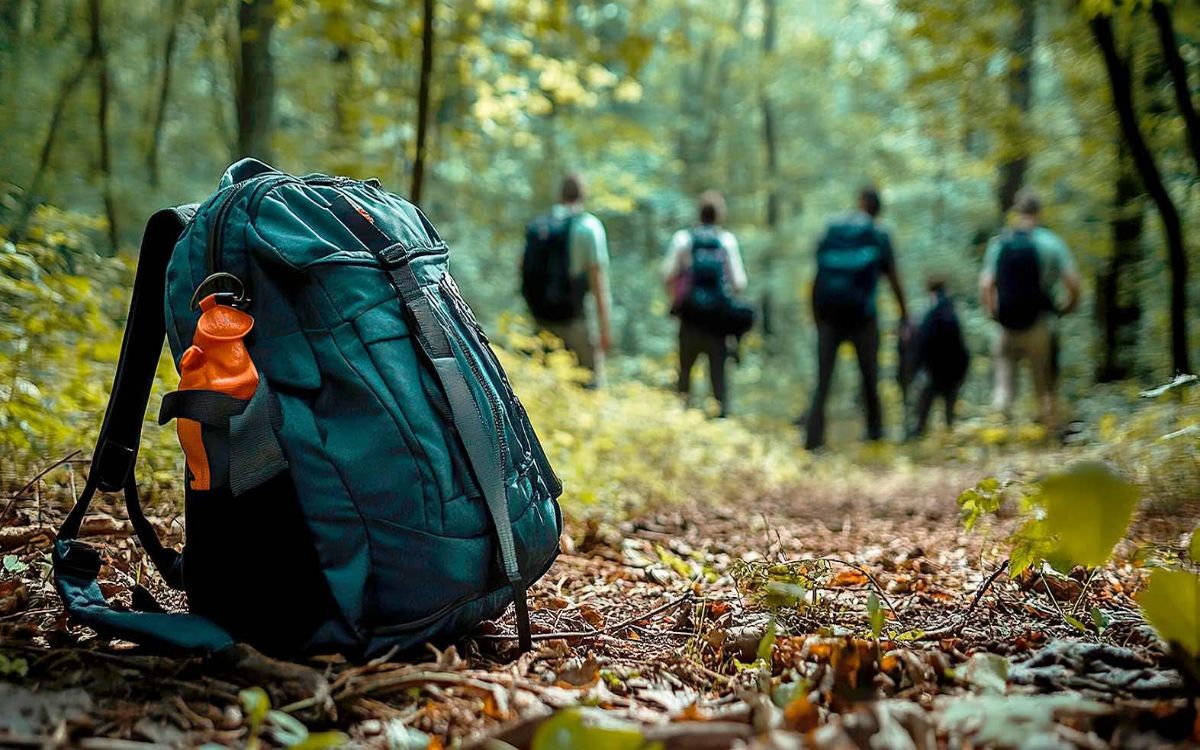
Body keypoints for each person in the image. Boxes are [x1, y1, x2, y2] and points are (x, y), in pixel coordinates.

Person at [804, 186, 910, 451]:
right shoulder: (879, 234)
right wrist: (904, 314)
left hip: (829, 317)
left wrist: (815, 314)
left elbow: (817, 276)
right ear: (877, 209)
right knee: (870, 377)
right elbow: (893, 277)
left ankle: (813, 440)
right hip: (863, 317)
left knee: (823, 379)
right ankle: (875, 436)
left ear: (859, 202)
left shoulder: (832, 230)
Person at [979, 188, 1081, 429]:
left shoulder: (1000, 243)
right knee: (1044, 386)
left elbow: (985, 285)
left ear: (1016, 211)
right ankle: (1047, 440)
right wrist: (1066, 308)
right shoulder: (1051, 243)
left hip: (1005, 325)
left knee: (1003, 387)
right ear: (1039, 212)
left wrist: (993, 313)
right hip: (1040, 323)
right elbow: (1074, 284)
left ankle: (999, 435)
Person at [521, 173, 613, 387]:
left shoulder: (540, 226)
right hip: (575, 320)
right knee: (590, 385)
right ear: (583, 194)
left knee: (547, 386)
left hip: (541, 321)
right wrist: (604, 330)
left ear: (560, 194)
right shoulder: (589, 227)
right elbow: (598, 284)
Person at [662, 190, 748, 417]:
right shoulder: (726, 241)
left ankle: (680, 422)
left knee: (684, 376)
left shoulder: (684, 239)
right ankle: (721, 424)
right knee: (718, 381)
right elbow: (739, 283)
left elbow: (667, 274)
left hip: (689, 319)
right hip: (717, 325)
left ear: (699, 212)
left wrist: (677, 299)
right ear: (720, 215)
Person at [908, 275, 969, 437]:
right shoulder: (952, 311)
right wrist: (961, 372)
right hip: (952, 373)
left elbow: (921, 344)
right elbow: (961, 345)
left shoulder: (928, 313)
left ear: (929, 289)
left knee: (921, 415)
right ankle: (950, 439)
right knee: (949, 416)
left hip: (932, 372)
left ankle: (918, 435)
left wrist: (917, 367)